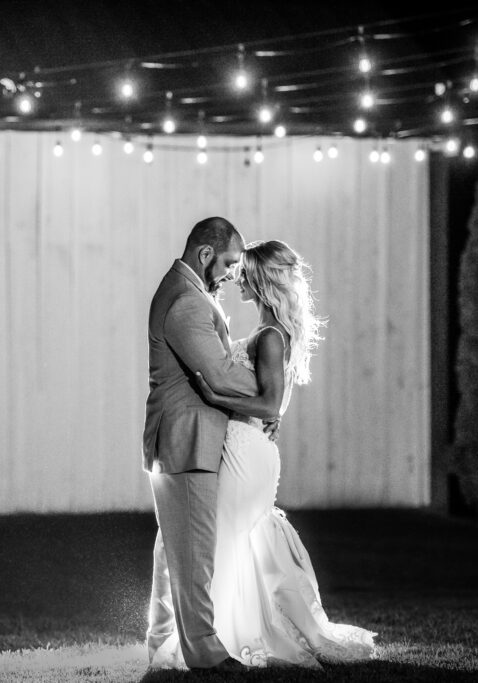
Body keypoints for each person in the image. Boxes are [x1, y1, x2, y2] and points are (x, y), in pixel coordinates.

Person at [172, 239, 378, 669]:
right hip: (253, 448)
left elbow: (268, 404)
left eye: (243, 272)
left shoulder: (268, 337)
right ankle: (221, 632)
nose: (236, 278)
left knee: (224, 540)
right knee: (232, 540)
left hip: (248, 449)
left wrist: (214, 393)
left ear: (261, 280)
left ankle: (224, 637)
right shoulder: (273, 333)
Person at [142, 217, 279, 672]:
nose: (230, 274)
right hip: (187, 442)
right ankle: (206, 655)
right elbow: (218, 374)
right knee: (195, 552)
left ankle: (162, 642)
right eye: (227, 264)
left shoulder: (188, 294)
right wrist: (268, 392)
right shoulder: (186, 303)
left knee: (174, 550)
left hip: (183, 442)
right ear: (205, 255)